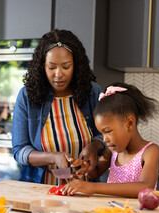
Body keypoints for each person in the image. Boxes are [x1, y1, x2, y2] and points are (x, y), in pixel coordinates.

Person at [12, 29, 106, 184]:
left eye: (66, 67)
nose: (58, 74)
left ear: (76, 65)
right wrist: (53, 157)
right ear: (42, 66)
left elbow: (105, 135)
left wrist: (94, 147)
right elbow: (19, 151)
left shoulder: (91, 92)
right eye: (52, 67)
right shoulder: (27, 96)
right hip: (41, 190)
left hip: (85, 189)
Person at [61, 82, 159, 197]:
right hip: (112, 212)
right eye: (102, 133)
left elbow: (145, 187)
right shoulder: (113, 152)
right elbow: (96, 172)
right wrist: (85, 167)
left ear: (130, 122)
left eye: (108, 131)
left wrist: (93, 187)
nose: (105, 139)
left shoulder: (150, 151)